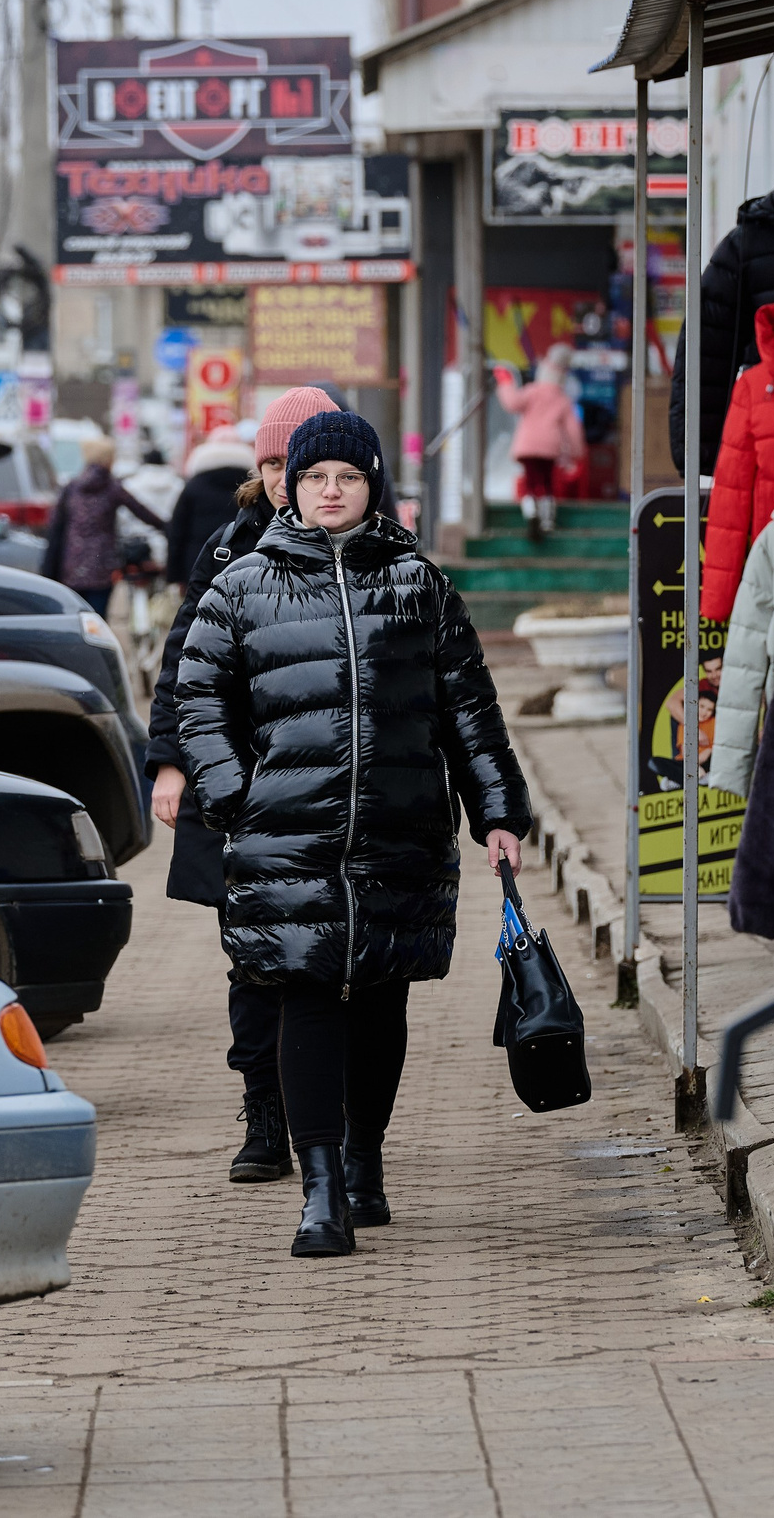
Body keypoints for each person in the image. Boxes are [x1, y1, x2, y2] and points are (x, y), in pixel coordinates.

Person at [173, 408, 530, 1258]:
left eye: (348, 477)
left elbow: (468, 711)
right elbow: (198, 696)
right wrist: (232, 792)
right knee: (304, 992)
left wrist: (499, 811)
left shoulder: (420, 584)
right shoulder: (241, 586)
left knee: (379, 997)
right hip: (286, 832)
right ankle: (321, 1188)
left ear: (373, 485)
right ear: (287, 487)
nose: (330, 492)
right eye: (313, 478)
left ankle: (366, 1161)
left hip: (399, 828)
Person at [143, 385, 341, 1183]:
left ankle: (334, 1126)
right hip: (242, 792)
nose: (281, 475)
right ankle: (265, 1116)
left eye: (291, 459)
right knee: (253, 956)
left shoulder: (367, 547)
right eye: (267, 461)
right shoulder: (227, 549)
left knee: (331, 959)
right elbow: (180, 664)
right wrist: (170, 761)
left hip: (329, 791)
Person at [40, 436, 163, 614]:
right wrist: (168, 527)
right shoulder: (113, 488)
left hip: (72, 566)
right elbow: (144, 513)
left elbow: (55, 528)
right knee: (97, 621)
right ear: (109, 459)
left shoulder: (71, 488)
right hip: (102, 566)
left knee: (75, 619)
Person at [495, 345, 586, 545]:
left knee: (530, 482)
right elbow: (573, 429)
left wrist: (505, 383)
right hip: (550, 448)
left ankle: (531, 514)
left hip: (527, 446)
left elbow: (512, 403)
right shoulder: (562, 399)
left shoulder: (532, 392)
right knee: (546, 483)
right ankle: (547, 520)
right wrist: (577, 452)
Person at [164, 434, 253, 588]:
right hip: (244, 564)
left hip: (197, 562)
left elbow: (177, 532)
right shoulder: (251, 486)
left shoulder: (194, 486)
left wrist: (175, 575)